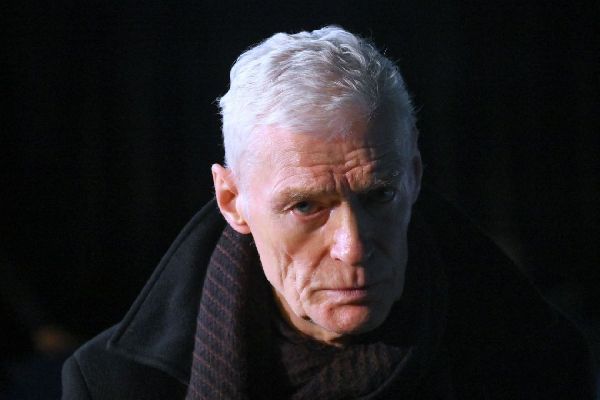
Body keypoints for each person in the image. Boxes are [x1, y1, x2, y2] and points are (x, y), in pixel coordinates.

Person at [62, 26, 596, 399]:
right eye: (305, 206)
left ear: (413, 176)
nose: (353, 247)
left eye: (379, 195)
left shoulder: (538, 366)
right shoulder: (111, 385)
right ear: (232, 202)